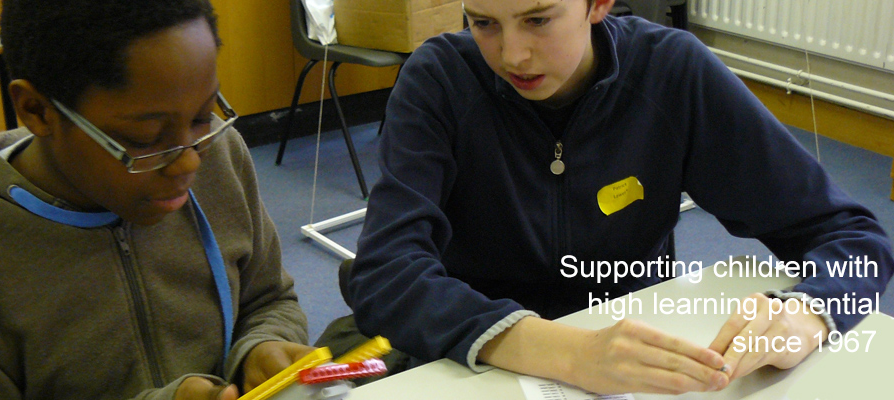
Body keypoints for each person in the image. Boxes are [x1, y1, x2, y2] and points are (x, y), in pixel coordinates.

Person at [342, 0, 893, 395]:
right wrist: (569, 353)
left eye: (538, 19)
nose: (512, 55)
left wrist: (812, 311)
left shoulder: (673, 72)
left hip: (638, 366)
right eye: (483, 23)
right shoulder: (438, 79)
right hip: (471, 359)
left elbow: (855, 237)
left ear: (597, 3)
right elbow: (386, 272)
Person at [0, 1, 312, 399]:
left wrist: (263, 345)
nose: (188, 162)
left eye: (203, 116)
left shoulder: (219, 155)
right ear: (36, 110)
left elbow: (268, 299)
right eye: (145, 138)